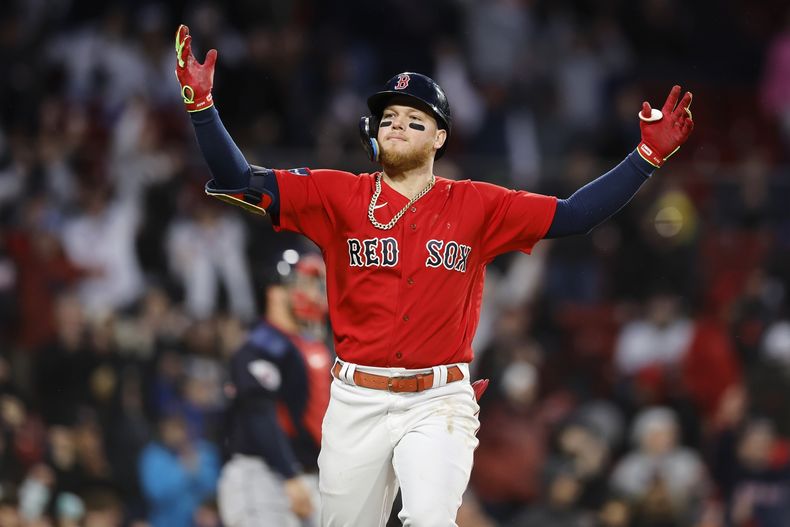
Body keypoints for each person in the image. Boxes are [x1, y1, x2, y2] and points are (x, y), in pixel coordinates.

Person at [174, 24, 694, 526]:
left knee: (427, 517)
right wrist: (202, 108)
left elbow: (577, 213)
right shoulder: (337, 194)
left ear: (440, 137)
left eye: (414, 118)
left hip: (438, 399)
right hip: (357, 397)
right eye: (389, 116)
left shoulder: (476, 203)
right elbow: (240, 180)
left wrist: (645, 158)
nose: (397, 123)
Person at [217, 252, 333, 527]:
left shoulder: (310, 345)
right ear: (276, 292)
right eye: (304, 284)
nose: (314, 294)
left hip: (307, 475)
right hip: (264, 474)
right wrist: (289, 475)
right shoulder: (259, 347)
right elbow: (259, 415)